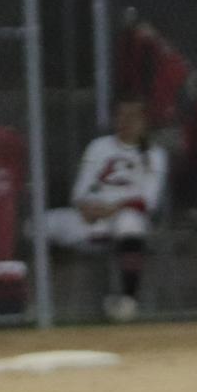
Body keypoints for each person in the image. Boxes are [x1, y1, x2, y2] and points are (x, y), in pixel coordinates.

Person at [42, 97, 167, 321]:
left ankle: (128, 301)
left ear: (144, 122)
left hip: (125, 218)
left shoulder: (153, 154)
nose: (126, 121)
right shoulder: (100, 147)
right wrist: (87, 207)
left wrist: (113, 208)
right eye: (121, 115)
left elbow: (148, 201)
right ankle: (39, 303)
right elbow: (79, 192)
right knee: (40, 224)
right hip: (92, 217)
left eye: (133, 116)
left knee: (130, 222)